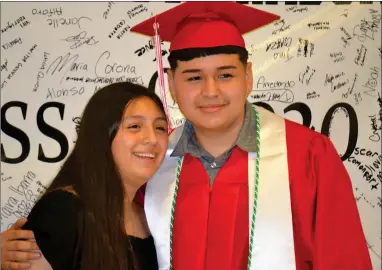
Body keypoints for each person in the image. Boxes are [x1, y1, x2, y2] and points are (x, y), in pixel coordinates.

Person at [1, 2, 373, 270]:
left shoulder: (308, 156)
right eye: (193, 77)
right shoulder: (153, 165)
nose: (210, 91)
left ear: (249, 77)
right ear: (172, 87)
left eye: (225, 74)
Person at [1, 82, 168, 270]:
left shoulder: (152, 216)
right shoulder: (61, 211)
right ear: (101, 134)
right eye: (135, 126)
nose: (152, 139)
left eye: (160, 128)